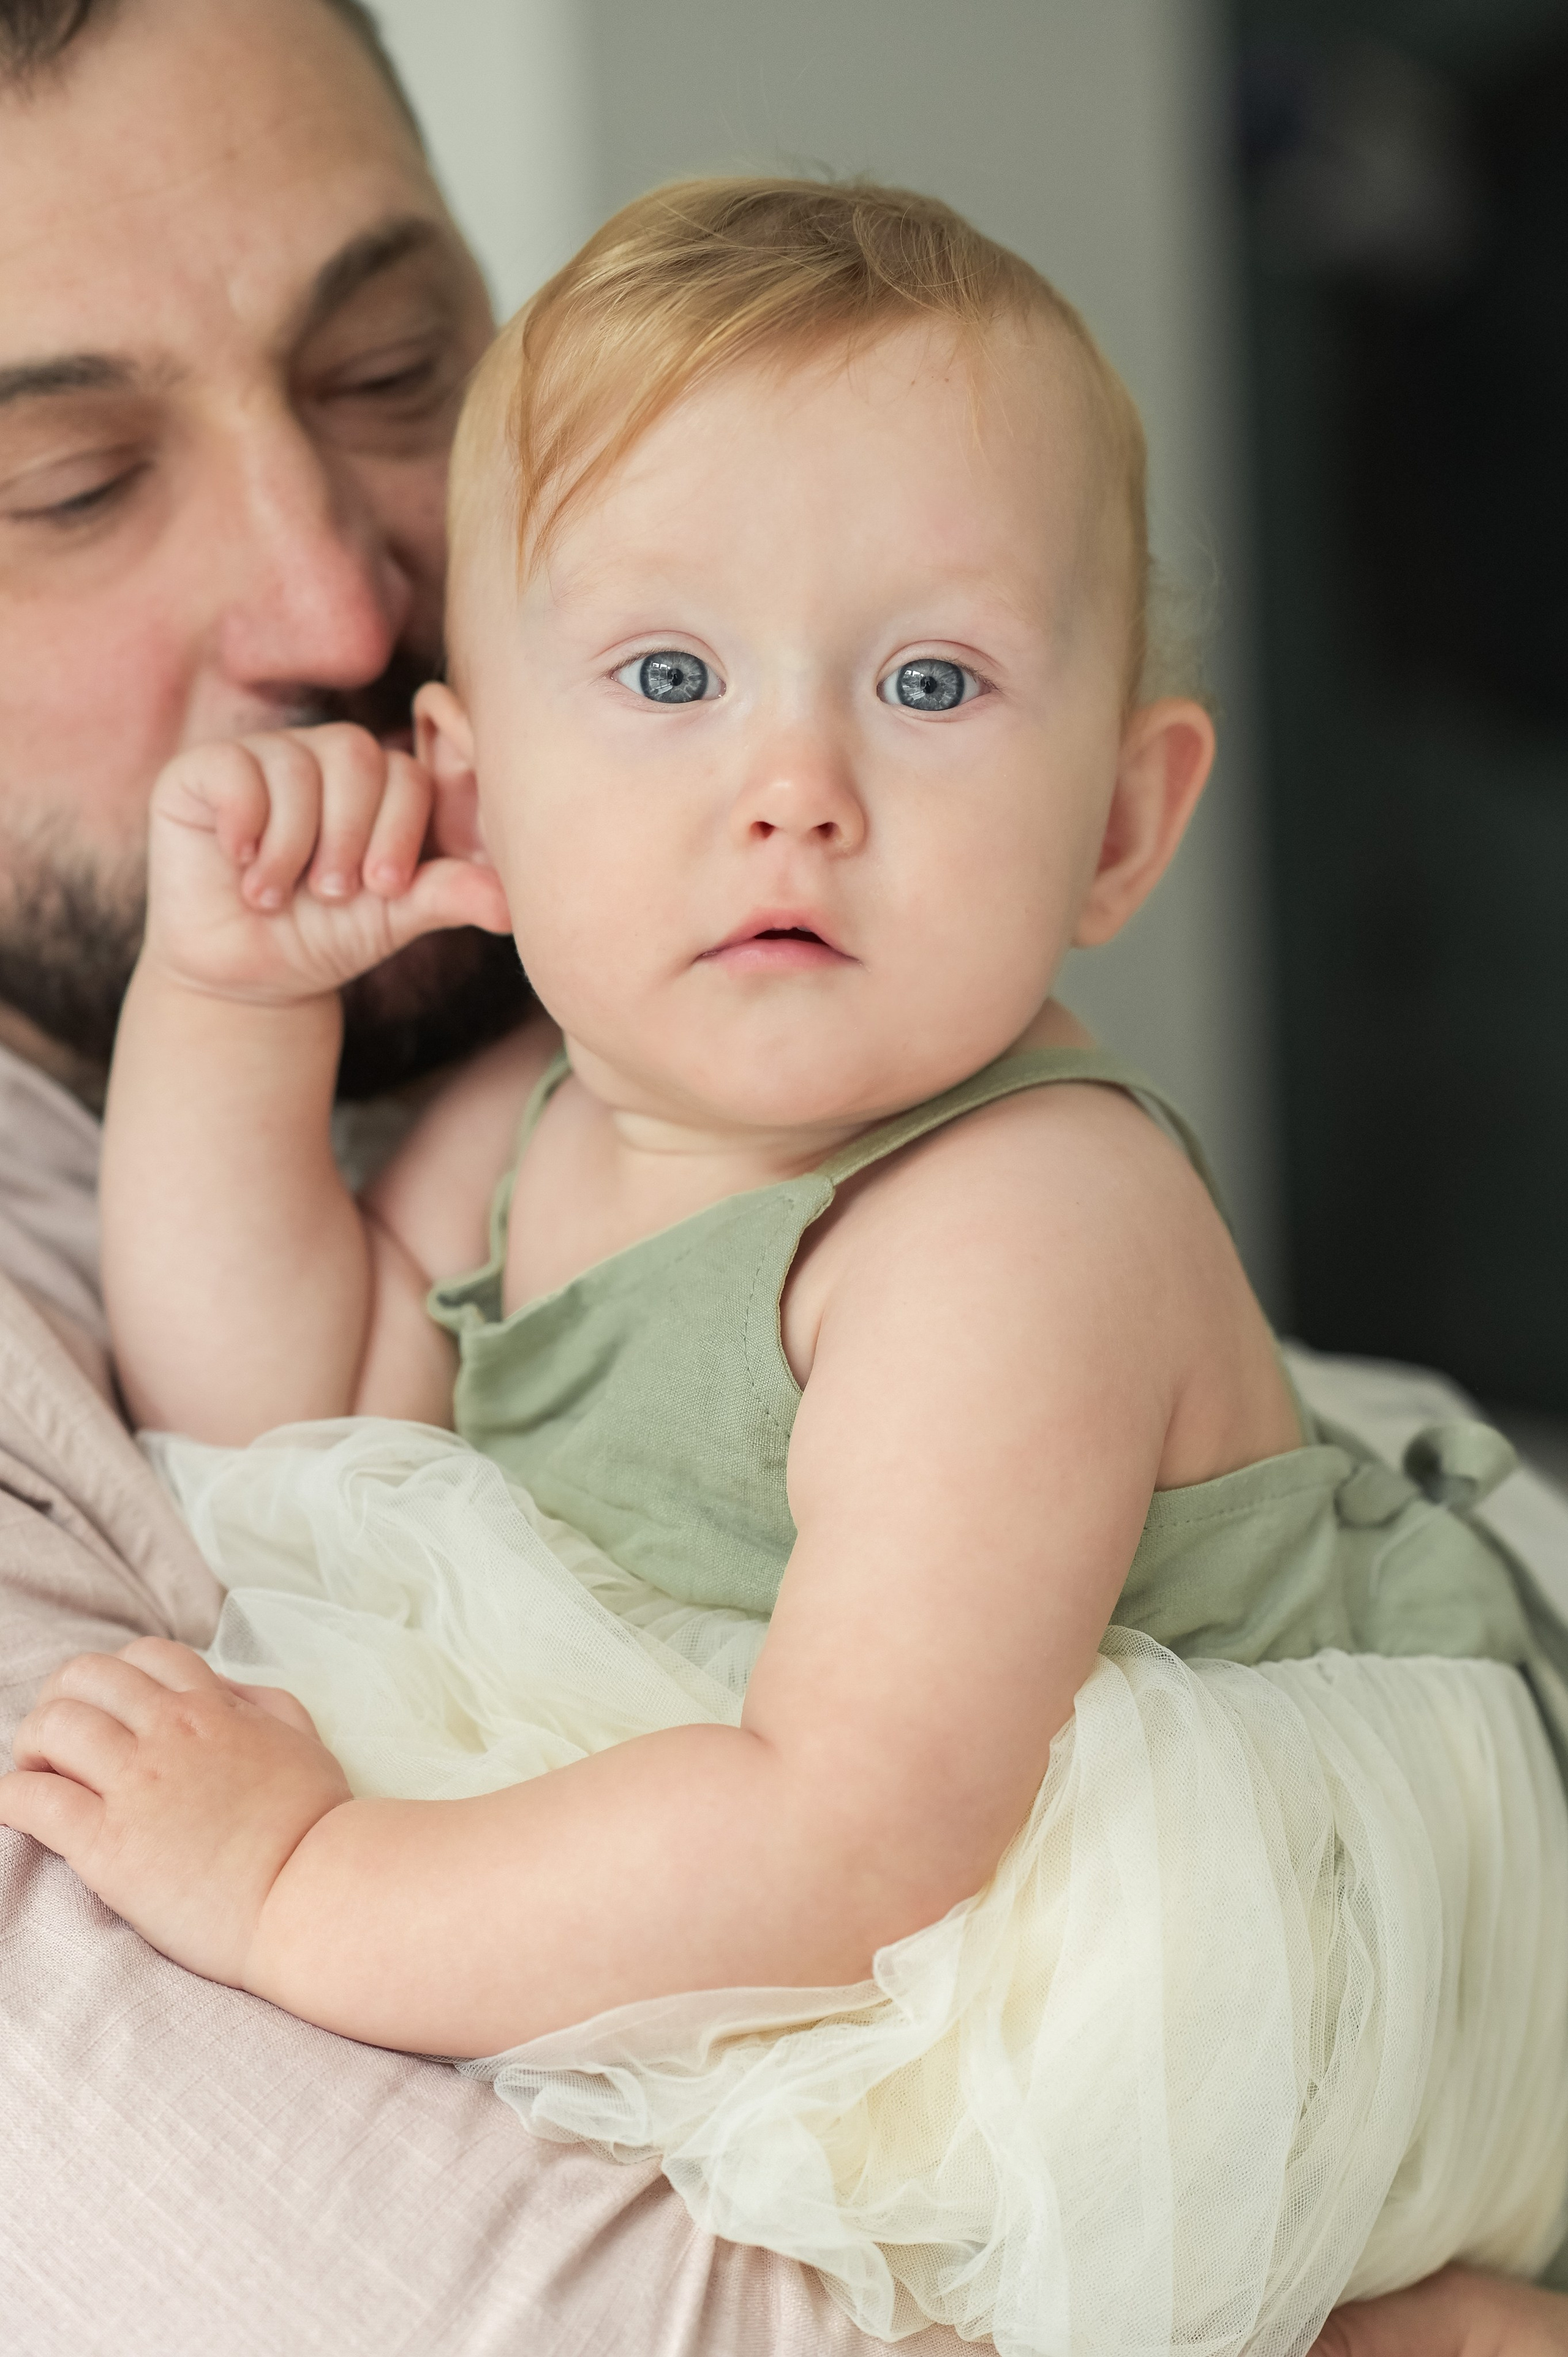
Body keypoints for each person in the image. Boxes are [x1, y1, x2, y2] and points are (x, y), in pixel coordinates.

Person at [7, 173, 1568, 2354]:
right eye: (669, 673)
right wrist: (233, 1001)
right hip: (819, 1825)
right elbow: (271, 1413)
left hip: (1189, 1927)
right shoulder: (540, 1110)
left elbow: (854, 1836)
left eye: (931, 680)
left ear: (1123, 824)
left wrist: (298, 1886)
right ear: (477, 782)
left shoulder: (1016, 1227)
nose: (795, 785)